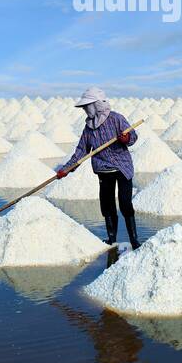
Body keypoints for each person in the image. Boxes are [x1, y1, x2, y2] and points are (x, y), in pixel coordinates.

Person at [56, 85, 140, 249]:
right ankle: (111, 239)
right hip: (103, 170)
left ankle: (135, 240)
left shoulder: (116, 119)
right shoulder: (89, 127)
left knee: (125, 203)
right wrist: (67, 169)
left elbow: (133, 137)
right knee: (107, 205)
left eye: (87, 106)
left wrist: (126, 139)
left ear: (96, 105)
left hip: (122, 168)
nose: (85, 110)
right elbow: (81, 151)